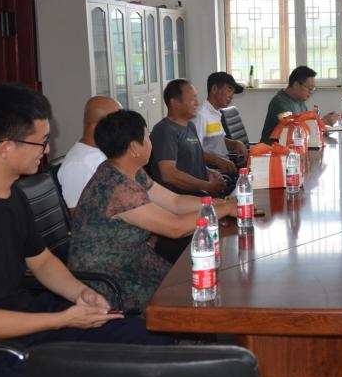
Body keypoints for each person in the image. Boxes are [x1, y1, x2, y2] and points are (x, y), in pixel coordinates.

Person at [0, 83, 171, 377]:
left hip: (28, 326)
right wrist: (63, 319)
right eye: (41, 142)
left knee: (148, 337)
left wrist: (81, 293)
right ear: (5, 147)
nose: (46, 151)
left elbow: (42, 261)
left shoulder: (11, 195)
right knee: (121, 369)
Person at [69, 110, 237, 309]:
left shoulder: (127, 170)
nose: (151, 142)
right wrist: (224, 208)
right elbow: (175, 227)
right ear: (134, 147)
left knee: (195, 282)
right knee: (192, 294)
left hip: (134, 259)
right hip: (109, 278)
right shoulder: (118, 189)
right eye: (147, 137)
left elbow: (175, 202)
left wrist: (221, 203)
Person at [149, 79, 229, 197]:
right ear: (175, 103)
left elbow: (191, 163)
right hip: (181, 199)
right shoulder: (165, 130)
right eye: (192, 98)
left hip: (201, 194)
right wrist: (207, 186)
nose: (197, 103)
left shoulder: (190, 126)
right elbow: (169, 175)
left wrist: (210, 173)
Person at [56, 95, 121, 212]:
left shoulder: (104, 152)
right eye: (117, 123)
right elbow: (79, 216)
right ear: (97, 126)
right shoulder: (79, 165)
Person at [260, 65, 339, 142]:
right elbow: (292, 128)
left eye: (313, 89)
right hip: (273, 149)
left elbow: (306, 124)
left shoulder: (300, 101)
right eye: (309, 88)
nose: (311, 92)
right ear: (296, 85)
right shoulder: (280, 103)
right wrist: (323, 121)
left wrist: (320, 124)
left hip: (295, 147)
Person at [192, 71, 248, 172]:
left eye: (233, 92)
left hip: (224, 166)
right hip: (212, 171)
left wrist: (235, 144)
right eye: (229, 89)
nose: (232, 96)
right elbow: (194, 151)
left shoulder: (215, 113)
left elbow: (218, 141)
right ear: (214, 89)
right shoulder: (201, 116)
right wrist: (218, 161)